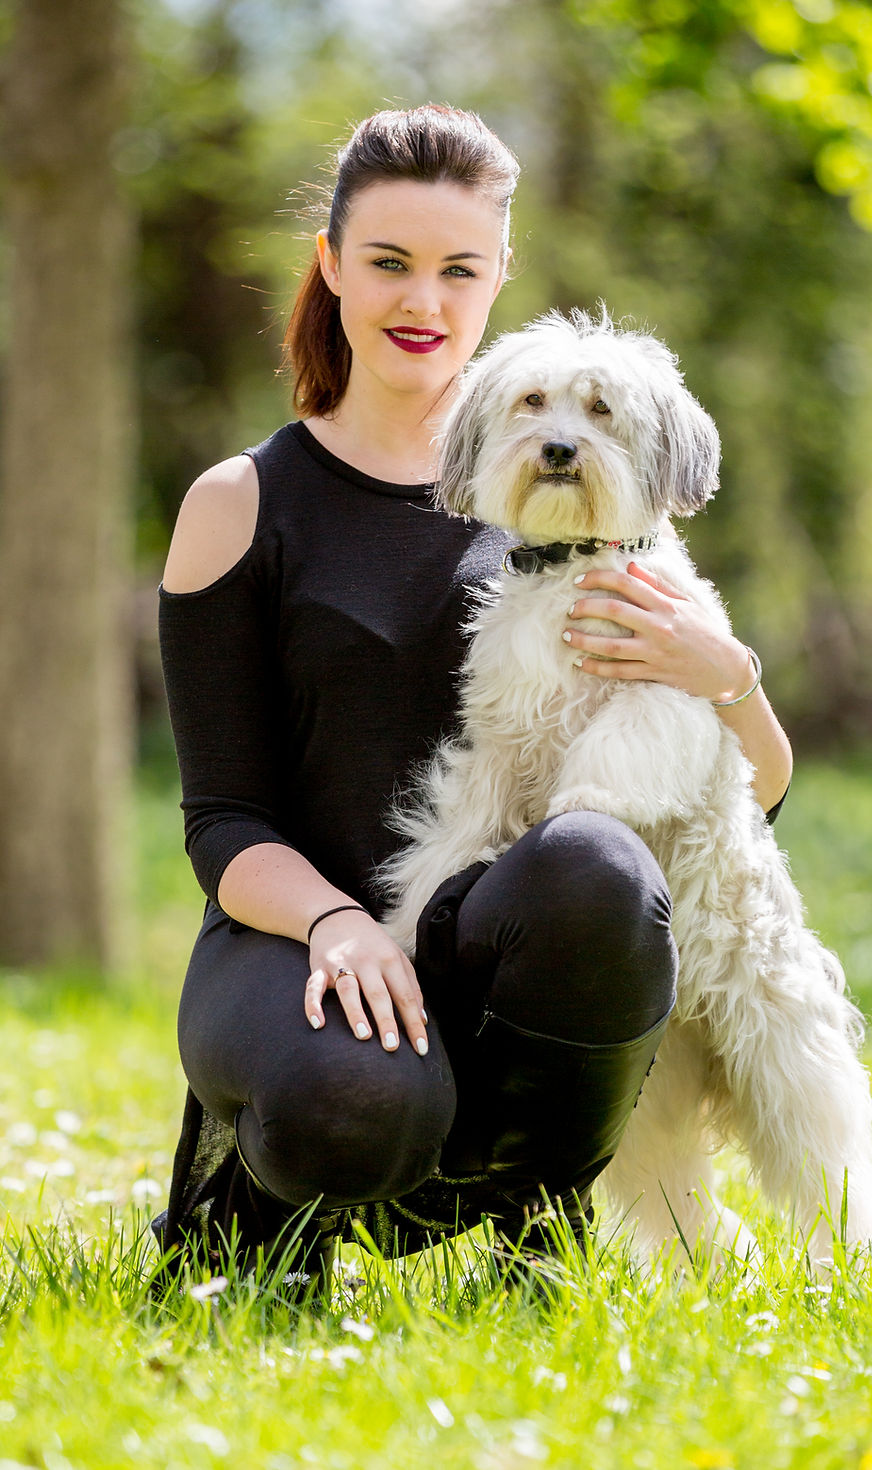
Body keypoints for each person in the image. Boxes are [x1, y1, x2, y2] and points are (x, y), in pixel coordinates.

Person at [154, 104, 792, 1277]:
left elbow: (751, 796)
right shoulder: (240, 503)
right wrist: (337, 926)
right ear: (330, 265)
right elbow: (224, 820)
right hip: (296, 935)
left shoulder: (590, 498)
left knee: (597, 865)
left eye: (458, 268)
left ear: (497, 275)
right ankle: (247, 1223)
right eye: (388, 262)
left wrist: (727, 675)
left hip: (495, 938)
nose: (423, 300)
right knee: (355, 1105)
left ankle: (536, 1237)